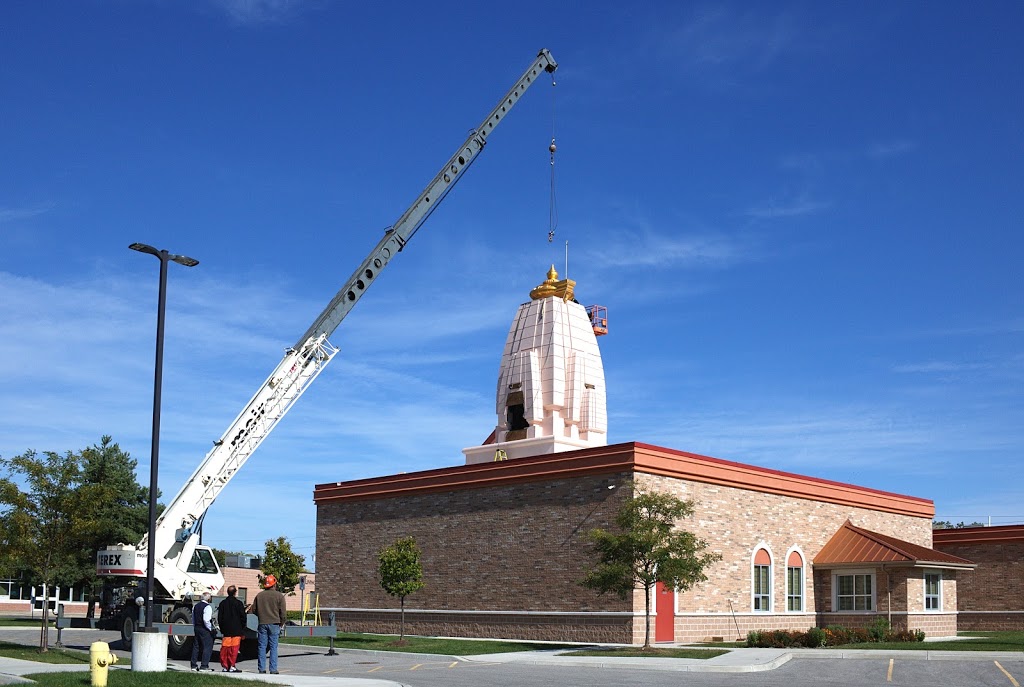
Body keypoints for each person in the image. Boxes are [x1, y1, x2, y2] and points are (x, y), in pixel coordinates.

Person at [249, 574, 287, 674]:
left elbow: (253, 610)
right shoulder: (279, 596)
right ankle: (273, 669)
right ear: (274, 584)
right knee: (273, 647)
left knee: (262, 646)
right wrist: (282, 622)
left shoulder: (259, 595)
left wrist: (261, 616)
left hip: (262, 623)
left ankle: (261, 669)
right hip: (275, 623)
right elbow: (283, 613)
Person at [217, 585, 247, 672]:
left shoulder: (222, 603)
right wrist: (242, 629)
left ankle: (225, 666)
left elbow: (220, 618)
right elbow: (243, 617)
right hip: (237, 630)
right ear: (235, 592)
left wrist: (222, 628)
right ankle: (232, 666)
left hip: (226, 630)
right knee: (234, 649)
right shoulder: (239, 603)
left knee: (225, 649)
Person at [190, 591, 214, 672]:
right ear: (208, 598)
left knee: (196, 646)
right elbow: (206, 620)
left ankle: (193, 665)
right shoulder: (208, 607)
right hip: (204, 628)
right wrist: (210, 628)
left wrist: (195, 626)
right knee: (207, 646)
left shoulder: (195, 606)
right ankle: (204, 665)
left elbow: (193, 618)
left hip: (197, 627)